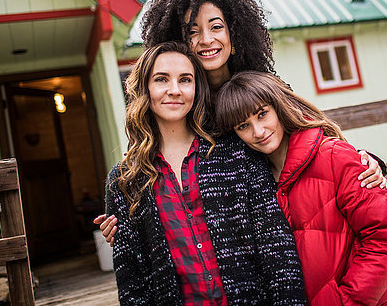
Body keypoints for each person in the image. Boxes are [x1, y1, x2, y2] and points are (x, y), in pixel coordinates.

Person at [96, 0, 387, 245]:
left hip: (288, 219)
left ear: (234, 33)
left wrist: (366, 162)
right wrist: (128, 219)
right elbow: (157, 156)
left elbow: (310, 134)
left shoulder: (259, 85)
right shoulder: (178, 101)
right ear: (180, 41)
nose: (206, 39)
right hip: (227, 239)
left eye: (216, 27)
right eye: (192, 32)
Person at [106, 42, 306, 305]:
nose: (174, 90)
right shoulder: (124, 181)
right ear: (145, 88)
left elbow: (277, 249)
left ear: (196, 89)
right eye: (161, 79)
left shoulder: (236, 152)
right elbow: (132, 284)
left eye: (185, 80)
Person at [214, 71, 387, 306]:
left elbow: (385, 237)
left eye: (262, 114)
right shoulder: (252, 181)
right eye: (244, 126)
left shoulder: (334, 156)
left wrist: (346, 302)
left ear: (278, 107)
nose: (259, 131)